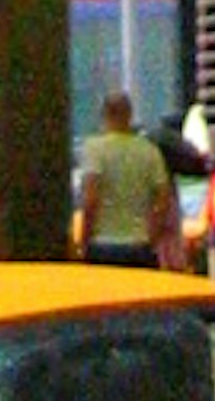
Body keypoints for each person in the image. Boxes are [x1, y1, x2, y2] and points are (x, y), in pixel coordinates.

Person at [72, 85, 179, 268]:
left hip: (102, 247)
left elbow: (90, 199)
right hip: (140, 247)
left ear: (104, 116)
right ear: (129, 115)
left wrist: (83, 241)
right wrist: (152, 235)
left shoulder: (94, 149)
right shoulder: (149, 151)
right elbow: (164, 200)